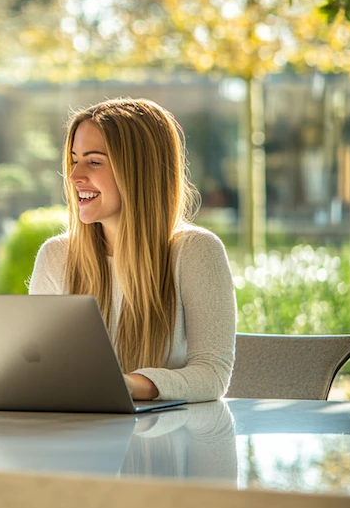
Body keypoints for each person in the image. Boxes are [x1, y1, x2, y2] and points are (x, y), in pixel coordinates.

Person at [28, 98, 236, 403]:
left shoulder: (195, 252)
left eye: (94, 161)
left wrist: (128, 385)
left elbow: (212, 374)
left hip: (170, 442)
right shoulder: (55, 257)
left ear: (140, 171)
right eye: (74, 160)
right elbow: (37, 367)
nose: (74, 177)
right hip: (76, 439)